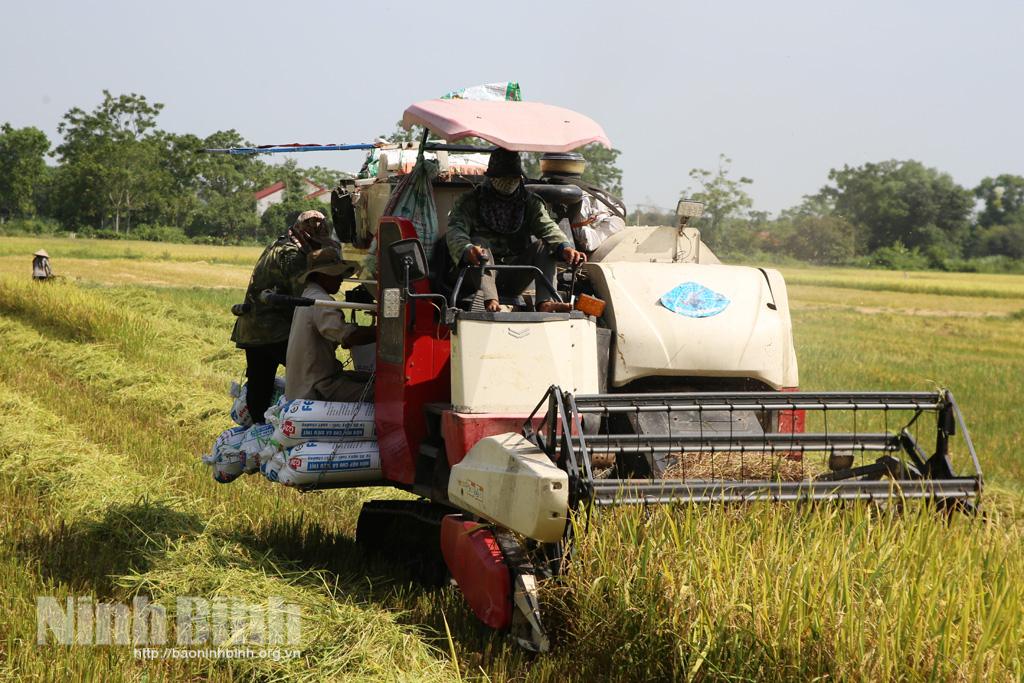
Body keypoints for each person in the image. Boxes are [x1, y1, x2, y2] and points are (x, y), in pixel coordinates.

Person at [445, 148, 587, 313]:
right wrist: (467, 249)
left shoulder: (530, 202)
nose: (509, 182)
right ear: (491, 177)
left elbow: (548, 227)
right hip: (474, 275)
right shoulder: (470, 201)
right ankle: (490, 301)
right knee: (479, 243)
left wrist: (565, 247)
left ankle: (546, 302)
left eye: (513, 177)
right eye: (503, 177)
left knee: (545, 245)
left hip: (513, 276)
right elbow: (455, 231)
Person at [232, 210, 333, 422]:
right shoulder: (293, 255)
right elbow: (303, 296)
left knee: (260, 382)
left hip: (254, 326)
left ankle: (259, 427)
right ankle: (300, 421)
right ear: (308, 235)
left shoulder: (279, 244)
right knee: (311, 370)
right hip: (273, 328)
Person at [285, 246, 376, 402]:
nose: (341, 279)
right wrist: (384, 331)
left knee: (372, 378)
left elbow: (341, 334)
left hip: (309, 382)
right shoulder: (321, 302)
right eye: (337, 274)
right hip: (318, 388)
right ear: (322, 275)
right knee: (384, 391)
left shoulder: (309, 295)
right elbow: (350, 336)